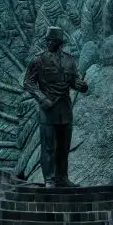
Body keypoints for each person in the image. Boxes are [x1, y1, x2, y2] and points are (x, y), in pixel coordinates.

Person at [22, 26, 88, 187]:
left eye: (51, 40)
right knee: (49, 147)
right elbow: (28, 82)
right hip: (48, 109)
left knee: (63, 147)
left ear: (58, 42)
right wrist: (42, 98)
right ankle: (49, 179)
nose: (48, 42)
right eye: (47, 40)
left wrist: (81, 85)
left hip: (64, 109)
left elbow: (73, 81)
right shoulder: (38, 60)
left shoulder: (69, 60)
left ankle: (62, 177)